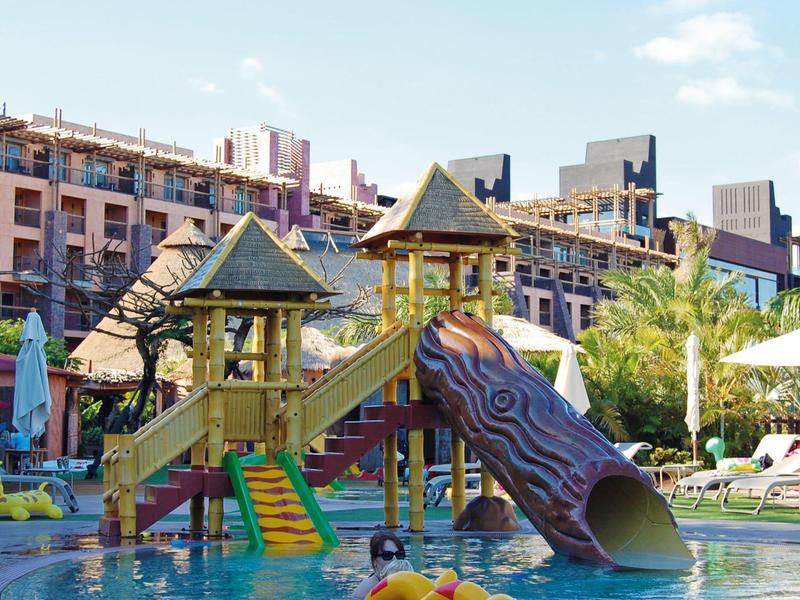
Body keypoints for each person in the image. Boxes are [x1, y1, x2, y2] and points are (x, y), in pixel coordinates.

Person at [352, 531, 412, 599]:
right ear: (375, 561)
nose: (395, 559)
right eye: (387, 555)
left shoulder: (408, 581)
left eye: (399, 554)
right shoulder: (365, 590)